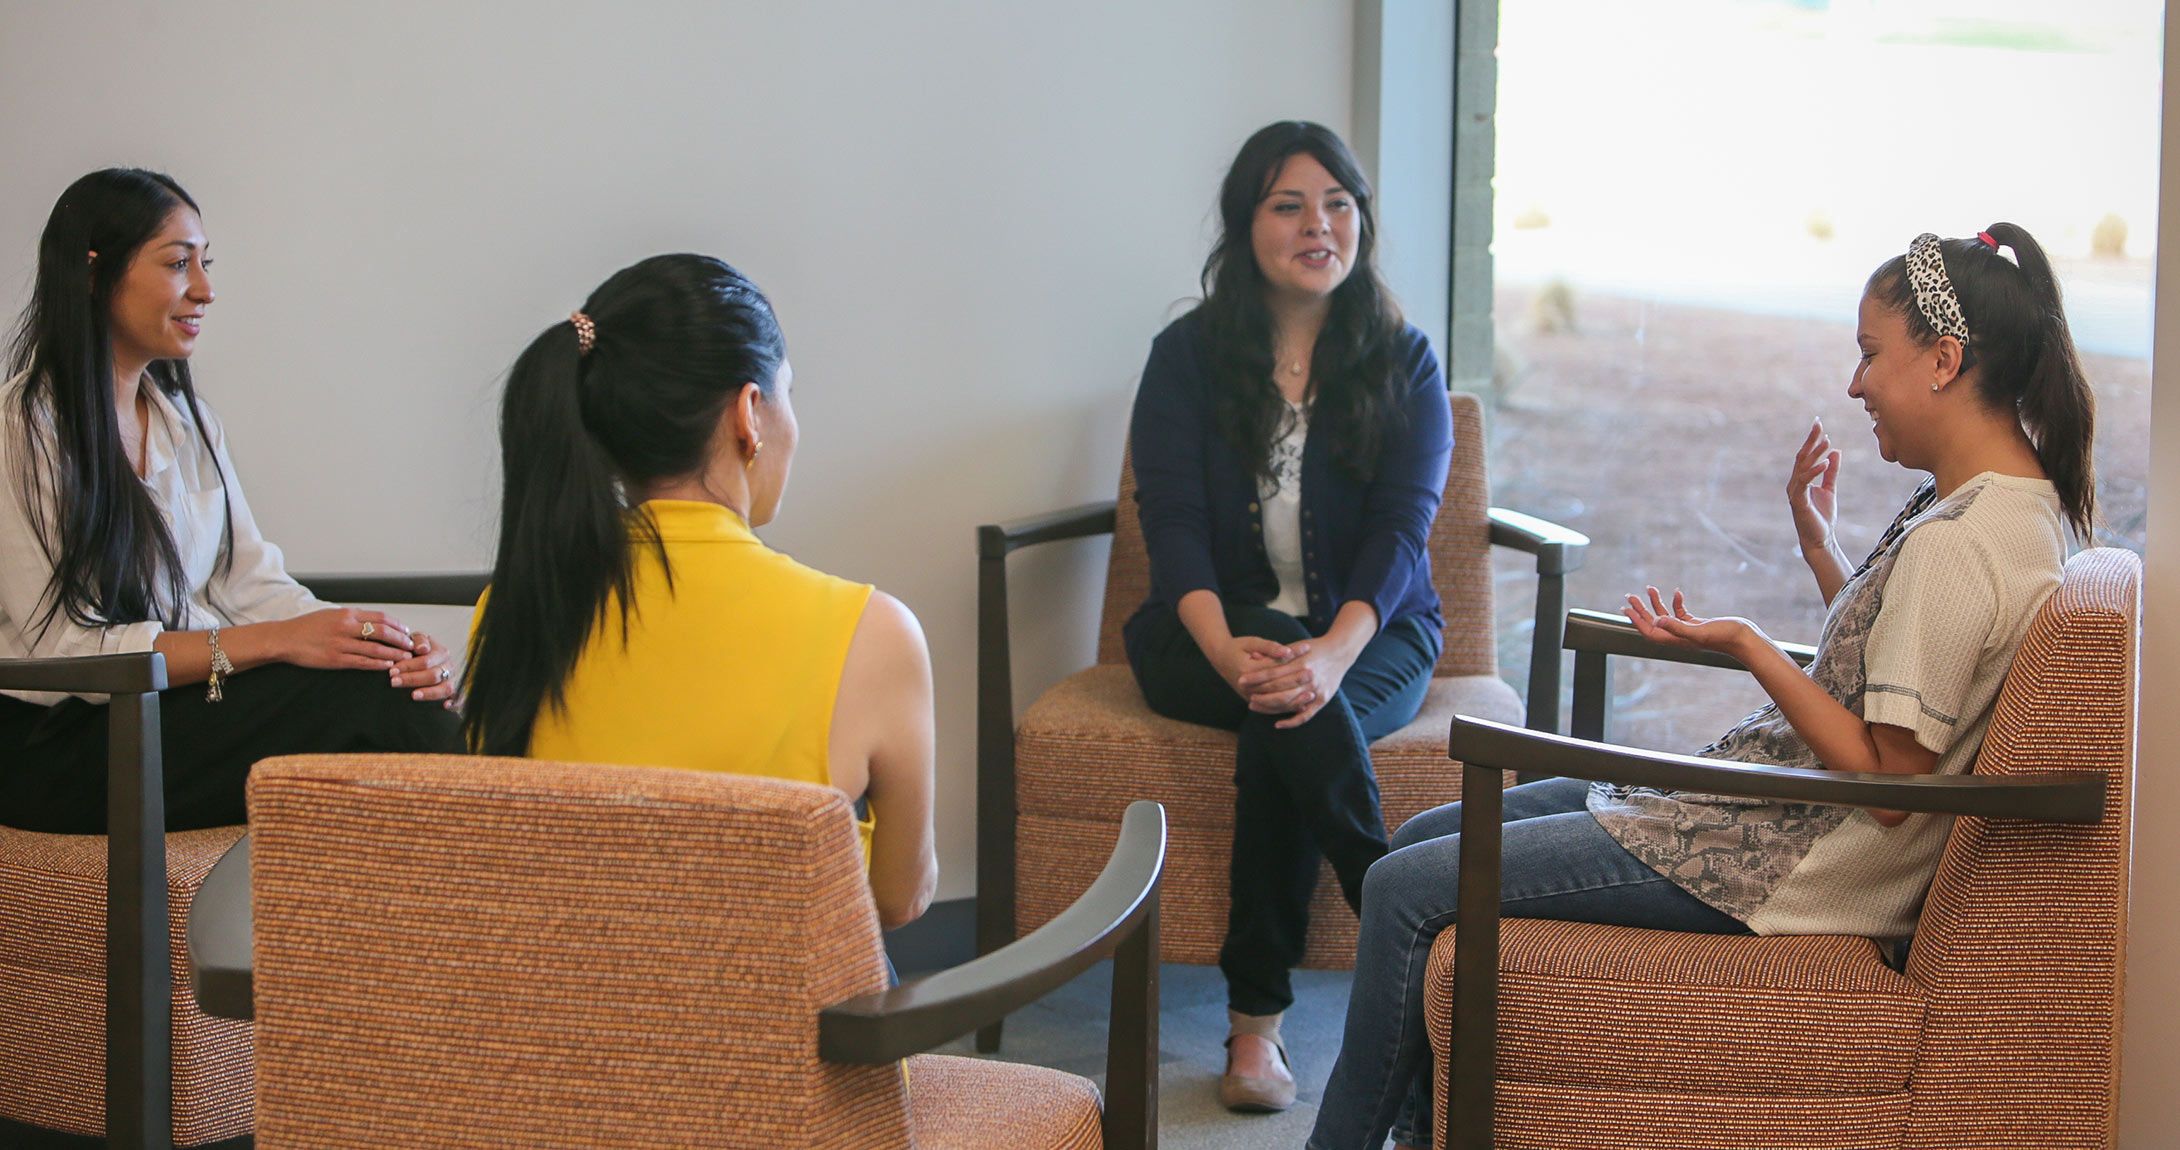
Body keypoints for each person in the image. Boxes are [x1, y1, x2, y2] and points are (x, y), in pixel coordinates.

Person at [1308, 222, 2097, 1150]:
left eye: (1870, 354)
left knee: (1405, 886)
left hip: (1784, 865)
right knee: (1428, 836)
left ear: (1943, 360)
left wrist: (1752, 645)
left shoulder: (1962, 545)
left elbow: (1895, 783)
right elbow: (1902, 669)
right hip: (1766, 820)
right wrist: (1822, 549)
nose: (1855, 385)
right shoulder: (2009, 508)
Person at [1124, 121, 1453, 1112]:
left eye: (1337, 204)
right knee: (1281, 700)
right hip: (1205, 628)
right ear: (1244, 225)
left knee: (1294, 710)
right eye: (1287, 204)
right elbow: (1171, 524)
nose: (1319, 225)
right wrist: (1230, 653)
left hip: (1376, 630)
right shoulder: (1185, 356)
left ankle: (1252, 1029)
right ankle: (1408, 930)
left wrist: (1330, 657)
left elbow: (1403, 534)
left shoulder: (1404, 360)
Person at [459, 254, 938, 930]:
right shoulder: (874, 632)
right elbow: (899, 898)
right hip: (768, 1028)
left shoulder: (515, 609)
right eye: (787, 393)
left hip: (556, 1022)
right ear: (750, 413)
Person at [0, 169, 460, 834]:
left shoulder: (187, 424)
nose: (205, 290)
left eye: (204, 263)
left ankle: (445, 911)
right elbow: (62, 650)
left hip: (158, 715)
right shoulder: (23, 427)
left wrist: (375, 642)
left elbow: (252, 585)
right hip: (54, 745)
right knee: (370, 708)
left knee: (391, 686)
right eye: (177, 263)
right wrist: (277, 644)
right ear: (95, 273)